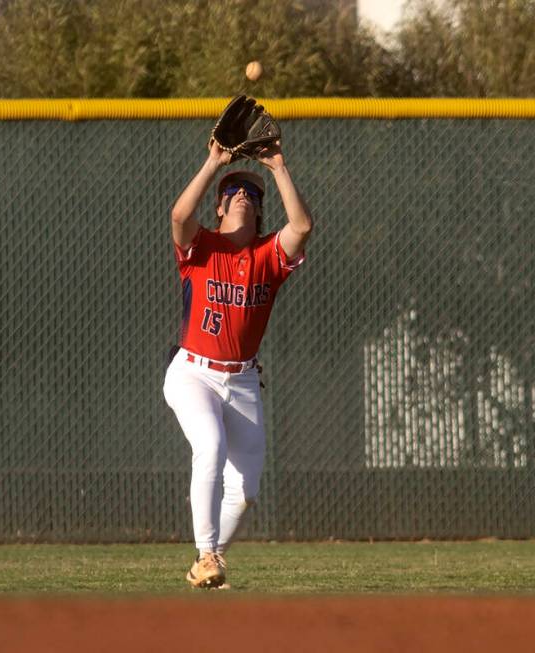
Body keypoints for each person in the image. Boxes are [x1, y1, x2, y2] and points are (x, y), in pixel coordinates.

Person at [163, 137, 313, 589]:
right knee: (209, 447)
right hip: (193, 373)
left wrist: (278, 168)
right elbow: (178, 216)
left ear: (260, 212)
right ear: (220, 210)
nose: (244, 195)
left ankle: (209, 563)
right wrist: (213, 163)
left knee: (246, 491)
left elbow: (302, 226)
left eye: (252, 192)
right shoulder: (202, 247)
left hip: (243, 381)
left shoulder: (269, 257)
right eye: (234, 193)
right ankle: (206, 553)